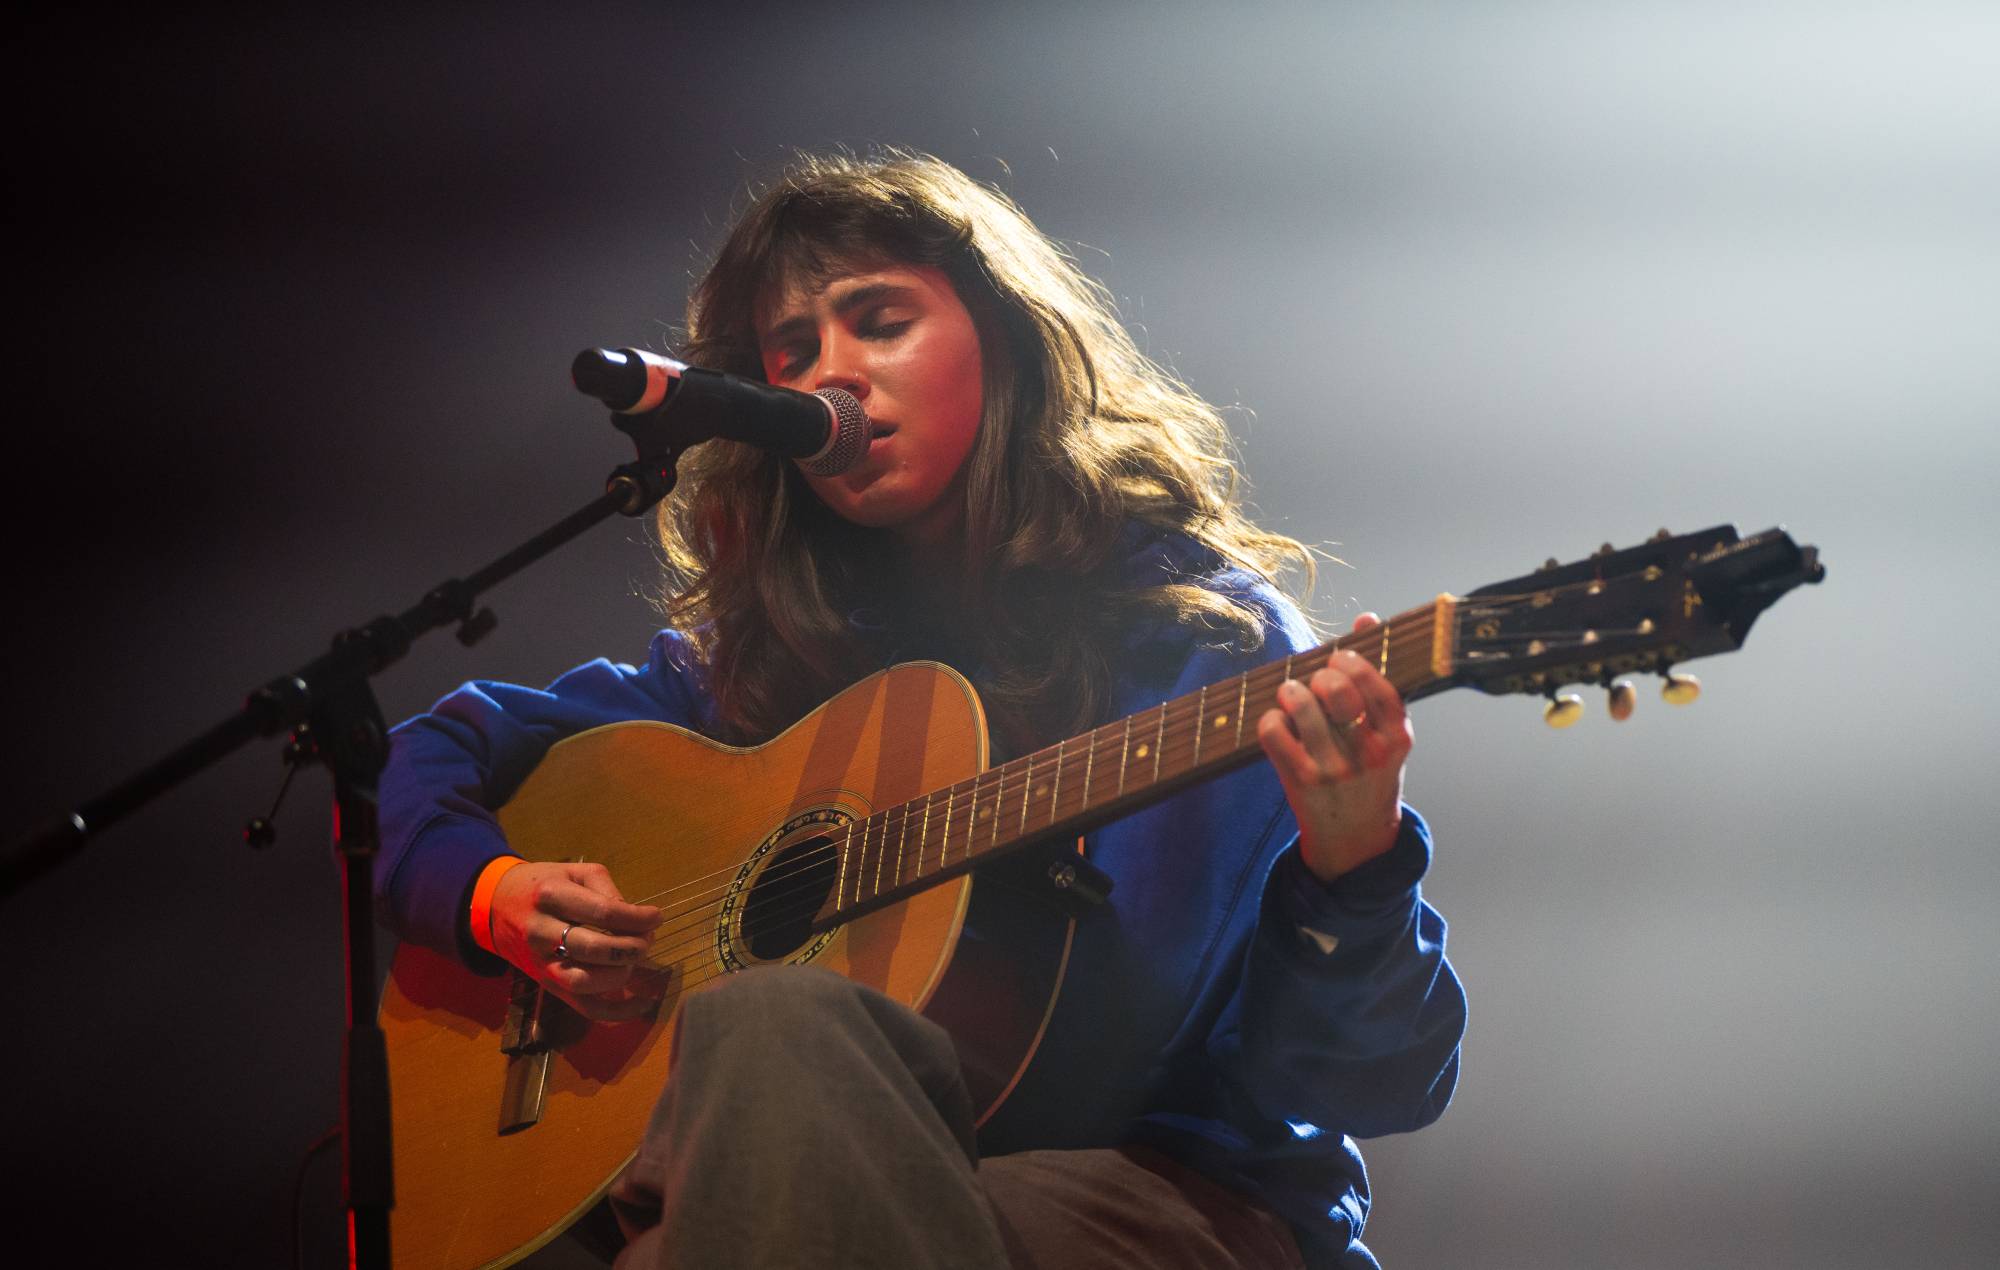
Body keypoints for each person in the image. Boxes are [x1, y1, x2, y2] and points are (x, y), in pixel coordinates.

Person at [375, 151, 1466, 1269]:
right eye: (790, 354)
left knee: (772, 1033)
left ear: (1003, 341)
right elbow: (424, 758)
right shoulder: (763, 667)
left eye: (878, 321)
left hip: (1170, 1204)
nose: (830, 378)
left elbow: (1373, 1082)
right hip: (835, 1185)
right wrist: (494, 894)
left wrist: (1351, 869)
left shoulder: (1203, 646)